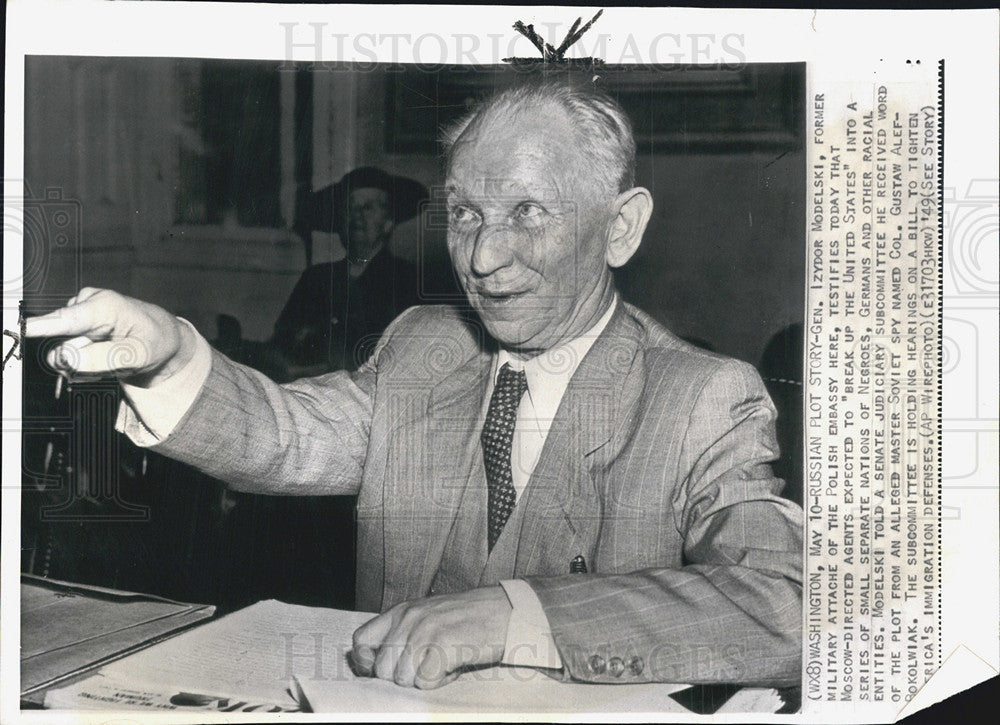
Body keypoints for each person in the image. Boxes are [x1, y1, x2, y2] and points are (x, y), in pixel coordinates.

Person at [27, 76, 802, 691]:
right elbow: (286, 434)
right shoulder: (421, 349)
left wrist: (517, 614)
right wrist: (171, 357)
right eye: (465, 214)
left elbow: (790, 606)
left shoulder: (703, 397)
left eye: (527, 212)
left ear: (621, 227)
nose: (486, 259)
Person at [271, 167, 442, 380]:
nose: (357, 216)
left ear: (388, 222)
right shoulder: (316, 278)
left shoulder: (409, 280)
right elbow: (281, 343)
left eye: (368, 208)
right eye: (351, 207)